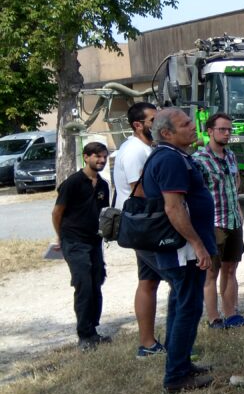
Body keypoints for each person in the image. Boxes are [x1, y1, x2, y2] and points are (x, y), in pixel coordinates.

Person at [143, 108, 217, 394]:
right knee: (188, 307)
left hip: (183, 247)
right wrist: (197, 244)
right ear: (167, 134)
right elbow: (173, 207)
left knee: (180, 304)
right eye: (185, 124)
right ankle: (176, 377)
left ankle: (181, 365)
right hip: (182, 250)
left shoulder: (174, 156)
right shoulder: (169, 159)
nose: (192, 126)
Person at [112, 102, 165, 358]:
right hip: (144, 226)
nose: (158, 123)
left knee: (148, 281)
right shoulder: (135, 151)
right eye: (153, 120)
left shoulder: (144, 148)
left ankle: (148, 343)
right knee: (179, 280)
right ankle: (163, 343)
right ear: (138, 125)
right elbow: (141, 189)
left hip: (144, 225)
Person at [193, 112, 244, 329]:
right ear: (209, 131)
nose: (227, 134)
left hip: (233, 221)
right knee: (211, 273)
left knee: (231, 269)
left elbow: (233, 184)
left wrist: (238, 209)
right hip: (214, 224)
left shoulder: (231, 156)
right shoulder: (199, 160)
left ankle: (231, 314)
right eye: (222, 130)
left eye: (229, 130)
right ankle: (214, 318)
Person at [53, 142, 111, 351]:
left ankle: (93, 330)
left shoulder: (103, 185)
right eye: (97, 156)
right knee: (84, 284)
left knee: (96, 282)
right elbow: (57, 212)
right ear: (86, 157)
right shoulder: (73, 183)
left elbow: (104, 214)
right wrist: (60, 237)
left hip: (94, 241)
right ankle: (84, 336)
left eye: (104, 157)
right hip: (74, 241)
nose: (101, 160)